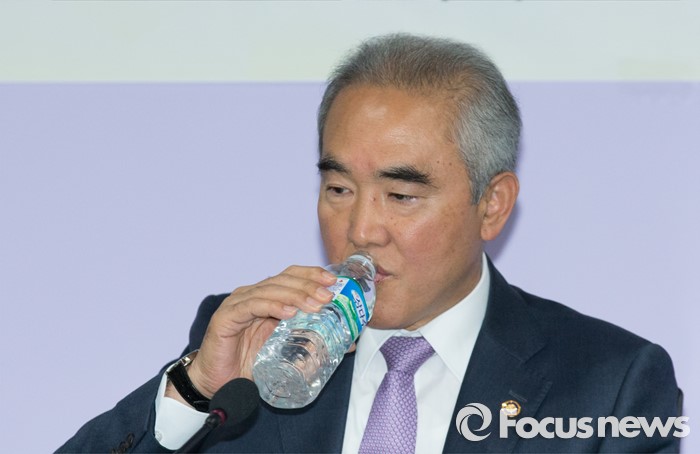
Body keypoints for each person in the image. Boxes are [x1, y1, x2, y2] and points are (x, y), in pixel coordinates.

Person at [58, 33, 681, 453]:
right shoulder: (256, 347)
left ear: (492, 204)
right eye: (338, 188)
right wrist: (195, 390)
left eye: (401, 195)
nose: (360, 230)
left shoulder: (611, 382)